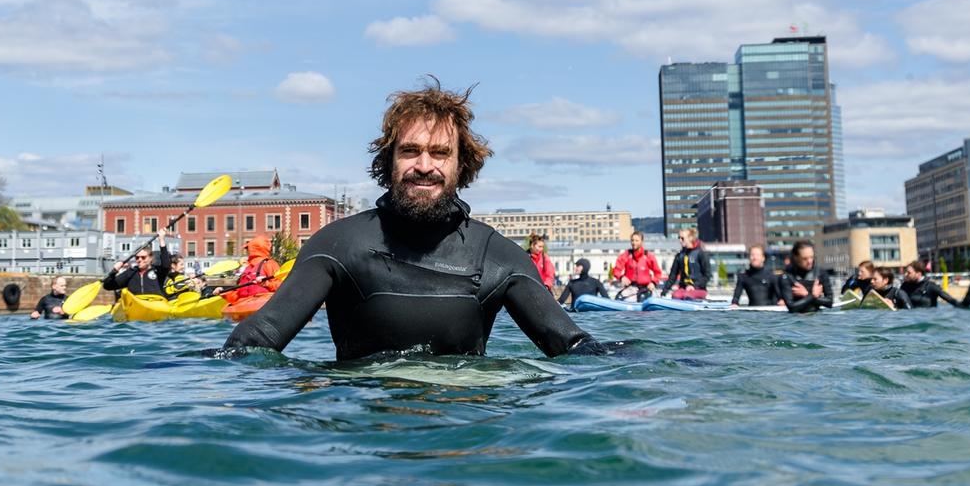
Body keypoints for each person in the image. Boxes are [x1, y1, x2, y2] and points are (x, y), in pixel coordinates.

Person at [224, 79, 598, 362]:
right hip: (366, 439)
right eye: (410, 151)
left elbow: (576, 349)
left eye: (439, 153)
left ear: (461, 165)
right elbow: (254, 344)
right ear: (389, 162)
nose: (424, 166)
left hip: (463, 437)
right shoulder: (337, 246)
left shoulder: (498, 257)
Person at [103, 229, 171, 297]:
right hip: (136, 306)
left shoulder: (157, 271)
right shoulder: (131, 273)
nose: (139, 260)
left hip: (153, 305)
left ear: (150, 258)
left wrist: (161, 240)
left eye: (143, 257)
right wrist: (114, 271)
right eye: (137, 257)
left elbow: (166, 265)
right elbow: (108, 286)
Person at [779, 240, 833, 313]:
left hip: (818, 318)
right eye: (805, 258)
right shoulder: (787, 276)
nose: (809, 261)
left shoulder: (821, 273)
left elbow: (830, 302)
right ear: (796, 258)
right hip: (795, 320)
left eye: (811, 257)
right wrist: (812, 296)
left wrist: (807, 294)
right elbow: (791, 308)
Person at [611, 231, 663, 301]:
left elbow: (658, 273)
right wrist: (621, 277)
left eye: (636, 240)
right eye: (632, 240)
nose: (634, 243)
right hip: (631, 287)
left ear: (642, 241)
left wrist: (653, 283)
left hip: (646, 288)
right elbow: (616, 270)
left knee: (642, 297)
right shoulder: (626, 255)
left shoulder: (648, 256)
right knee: (618, 298)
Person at [664, 227, 710, 300]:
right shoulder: (679, 256)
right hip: (684, 288)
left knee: (687, 296)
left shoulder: (701, 253)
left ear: (691, 238)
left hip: (699, 289)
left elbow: (707, 275)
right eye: (679, 238)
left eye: (682, 238)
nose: (680, 240)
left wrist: (694, 286)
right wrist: (664, 291)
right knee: (675, 295)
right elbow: (673, 276)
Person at [230, 235, 282, 299]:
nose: (247, 252)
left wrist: (267, 284)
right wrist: (223, 293)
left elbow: (282, 287)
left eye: (248, 249)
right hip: (244, 306)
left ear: (254, 249)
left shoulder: (270, 264)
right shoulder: (247, 268)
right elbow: (237, 295)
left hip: (265, 305)